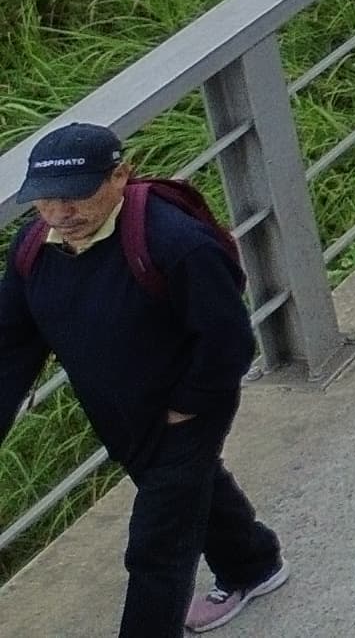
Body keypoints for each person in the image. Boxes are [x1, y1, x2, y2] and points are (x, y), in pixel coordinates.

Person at [2, 124, 291, 637]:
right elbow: (11, 344)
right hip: (118, 413)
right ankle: (253, 565)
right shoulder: (33, 249)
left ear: (121, 176)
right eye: (45, 199)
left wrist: (187, 408)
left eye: (77, 196)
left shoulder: (177, 244)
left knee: (157, 545)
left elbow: (227, 342)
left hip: (187, 410)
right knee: (191, 488)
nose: (61, 213)